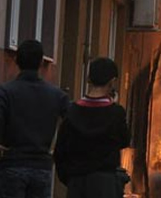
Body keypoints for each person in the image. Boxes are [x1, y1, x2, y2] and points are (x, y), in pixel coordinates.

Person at [0, 40, 69, 198]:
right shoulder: (57, 95)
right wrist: (57, 152)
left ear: (16, 60)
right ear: (42, 62)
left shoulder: (5, 91)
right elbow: (72, 122)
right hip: (41, 164)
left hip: (12, 162)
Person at [54, 58, 130, 198]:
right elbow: (124, 140)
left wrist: (70, 179)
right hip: (105, 184)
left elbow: (60, 151)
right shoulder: (116, 113)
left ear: (88, 79)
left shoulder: (72, 111)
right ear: (112, 81)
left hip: (77, 182)